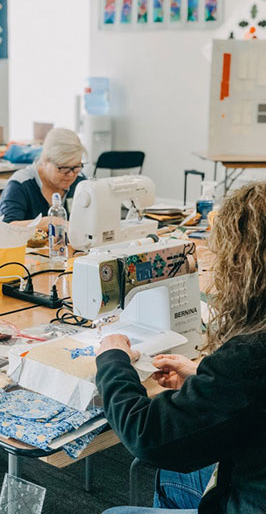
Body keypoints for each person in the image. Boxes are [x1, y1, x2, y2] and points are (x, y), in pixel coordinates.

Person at [96, 181, 266, 514]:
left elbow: (147, 435)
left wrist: (112, 360)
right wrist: (204, 381)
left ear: (241, 265)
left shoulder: (251, 355)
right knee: (177, 470)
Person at [0, 128, 86, 231]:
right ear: (45, 160)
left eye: (76, 167)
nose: (71, 175)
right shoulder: (20, 185)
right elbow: (5, 228)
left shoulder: (80, 181)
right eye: (64, 168)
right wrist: (44, 223)